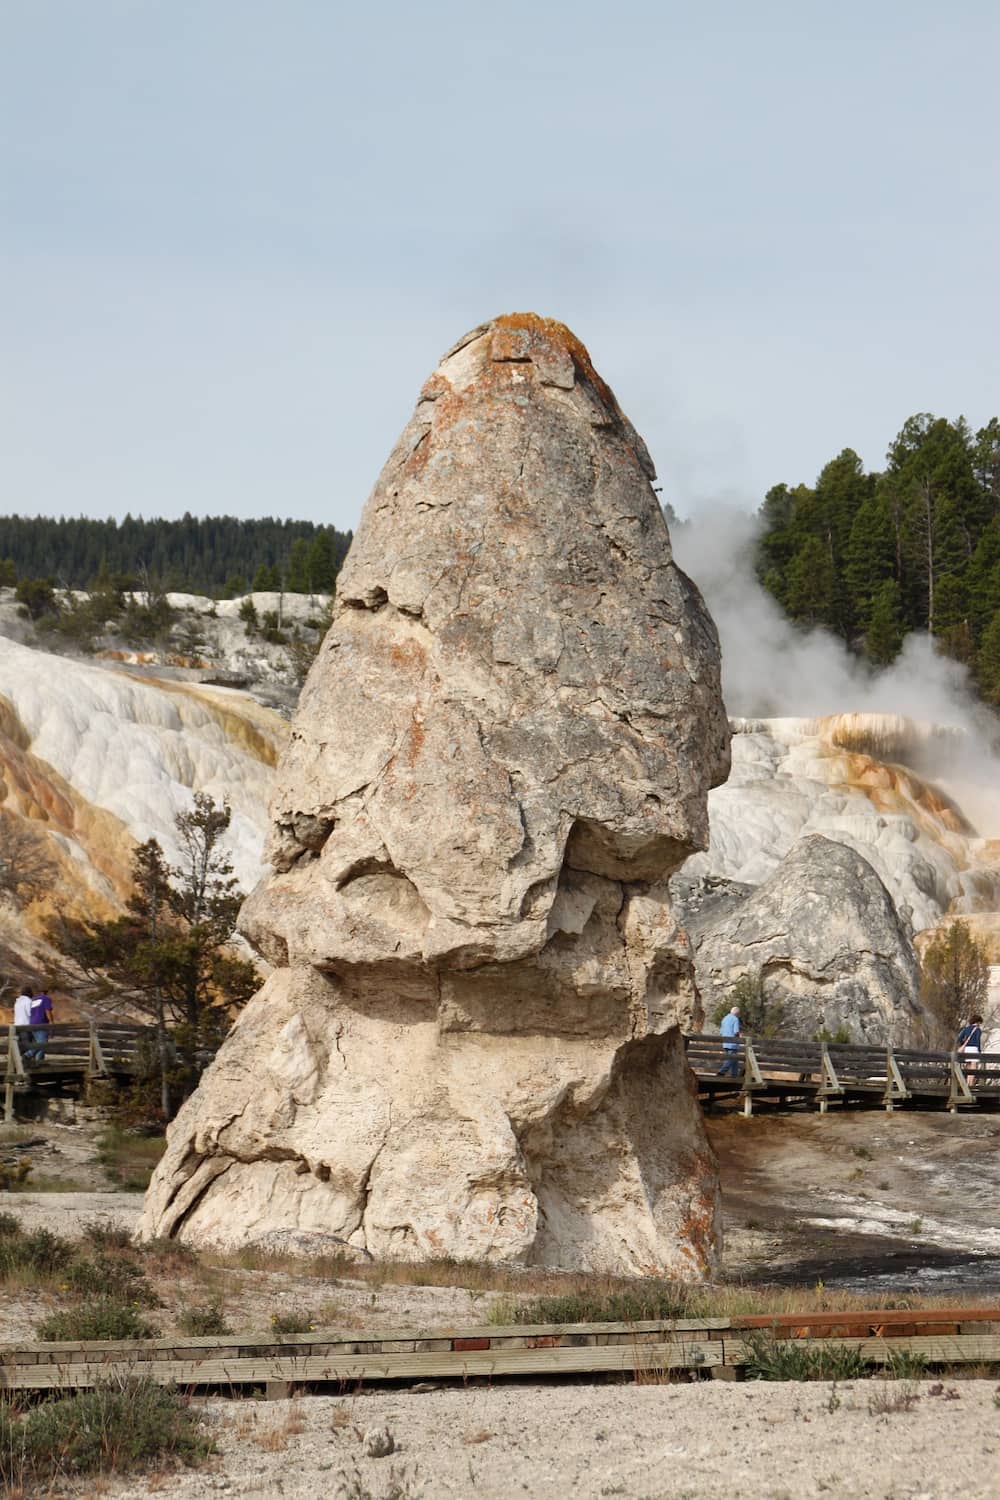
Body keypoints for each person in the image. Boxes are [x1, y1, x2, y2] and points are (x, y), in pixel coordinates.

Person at [956, 1013, 983, 1087]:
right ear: (978, 1021)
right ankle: (971, 1084)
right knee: (973, 1068)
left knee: (968, 1067)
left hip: (967, 1049)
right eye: (980, 1022)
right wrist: (979, 1050)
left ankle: (967, 1084)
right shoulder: (978, 1030)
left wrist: (963, 1044)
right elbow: (977, 1041)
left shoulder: (966, 1029)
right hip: (974, 1049)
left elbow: (959, 1039)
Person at [29, 988, 53, 1064]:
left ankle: (39, 1062)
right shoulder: (46, 998)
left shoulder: (34, 1000)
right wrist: (51, 1022)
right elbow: (48, 1010)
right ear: (47, 992)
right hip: (41, 1023)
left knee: (39, 1043)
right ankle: (28, 1055)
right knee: (42, 1043)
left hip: (32, 1023)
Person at [717, 1004, 742, 1078]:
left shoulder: (724, 1019)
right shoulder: (735, 1019)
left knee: (734, 1059)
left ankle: (735, 1075)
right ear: (737, 1013)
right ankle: (721, 1072)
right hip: (733, 1043)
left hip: (725, 1042)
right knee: (731, 1058)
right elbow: (736, 1032)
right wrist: (739, 1040)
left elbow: (721, 1031)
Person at [12, 984, 35, 1062]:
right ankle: (26, 1064)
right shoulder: (28, 1001)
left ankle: (18, 1064)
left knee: (20, 1046)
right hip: (25, 1026)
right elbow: (30, 1013)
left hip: (17, 1026)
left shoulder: (17, 1001)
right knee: (27, 1046)